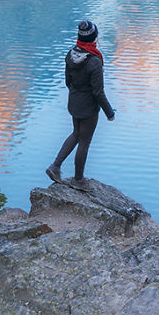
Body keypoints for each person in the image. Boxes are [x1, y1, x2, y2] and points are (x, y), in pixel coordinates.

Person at [46, 19, 115, 189]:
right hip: (88, 108)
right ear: (94, 38)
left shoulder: (71, 54)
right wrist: (109, 112)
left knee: (76, 134)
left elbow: (68, 82)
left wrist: (76, 96)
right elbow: (98, 92)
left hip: (74, 103)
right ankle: (79, 180)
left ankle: (55, 166)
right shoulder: (94, 61)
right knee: (84, 141)